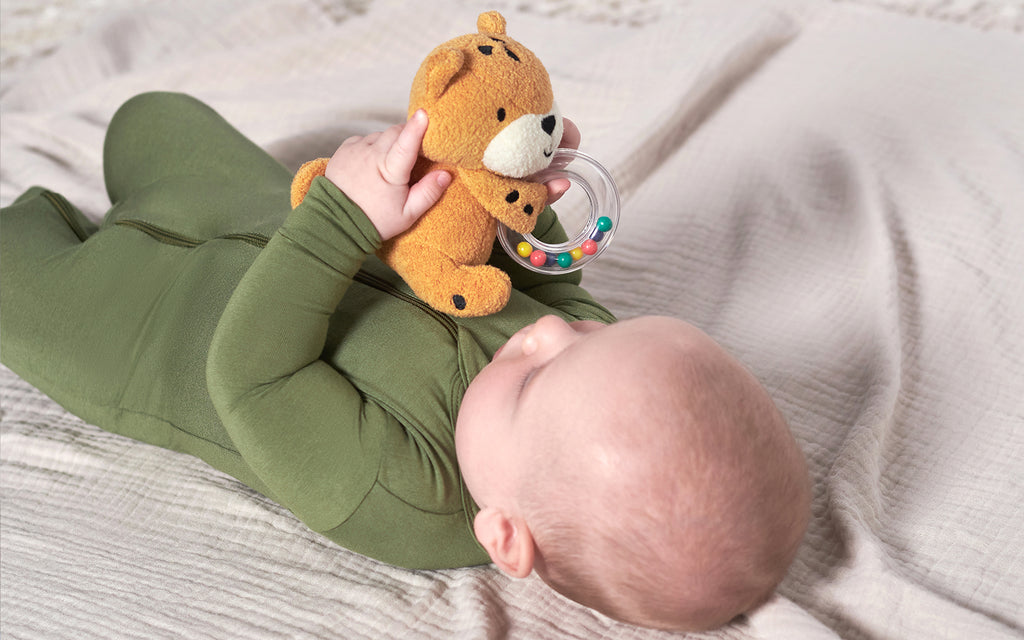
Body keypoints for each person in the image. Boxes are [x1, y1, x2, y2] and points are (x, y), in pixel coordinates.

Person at [0, 91, 809, 631]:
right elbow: (546, 287)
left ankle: (42, 230)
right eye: (602, 336)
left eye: (535, 378)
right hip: (246, 205)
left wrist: (342, 219)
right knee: (149, 117)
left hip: (143, 326)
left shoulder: (408, 494)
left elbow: (250, 374)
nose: (548, 335)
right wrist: (520, 205)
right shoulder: (572, 361)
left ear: (505, 536)